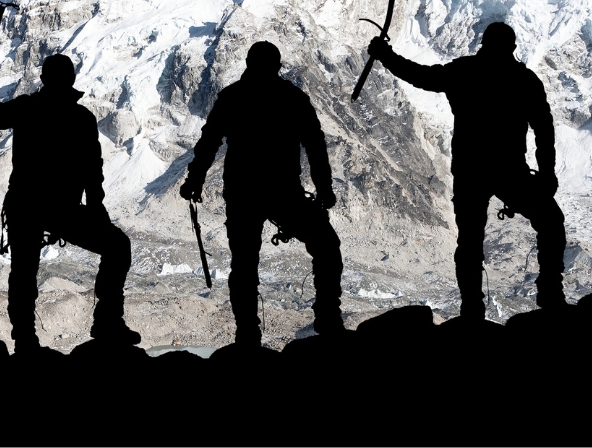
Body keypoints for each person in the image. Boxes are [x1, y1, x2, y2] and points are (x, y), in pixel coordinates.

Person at [368, 21, 565, 319]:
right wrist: (548, 173)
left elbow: (420, 75)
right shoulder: (524, 80)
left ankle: (472, 307)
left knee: (470, 241)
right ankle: (550, 293)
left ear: (483, 44)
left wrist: (385, 55)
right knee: (550, 221)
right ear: (512, 47)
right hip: (511, 171)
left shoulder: (464, 71)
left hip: (470, 171)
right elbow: (544, 130)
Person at [0, 50, 139, 352]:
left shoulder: (27, 108)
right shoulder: (82, 118)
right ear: (71, 80)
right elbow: (92, 170)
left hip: (26, 205)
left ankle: (25, 339)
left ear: (44, 79)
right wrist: (96, 208)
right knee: (117, 246)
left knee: (23, 272)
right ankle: (107, 321)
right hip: (62, 209)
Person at [180, 41, 344, 343]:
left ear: (247, 62)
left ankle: (247, 333)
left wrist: (195, 180)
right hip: (284, 193)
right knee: (326, 245)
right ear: (278, 66)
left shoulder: (231, 98)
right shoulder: (292, 98)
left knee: (243, 265)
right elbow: (315, 145)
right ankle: (328, 318)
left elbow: (210, 141)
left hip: (243, 193)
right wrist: (324, 189)